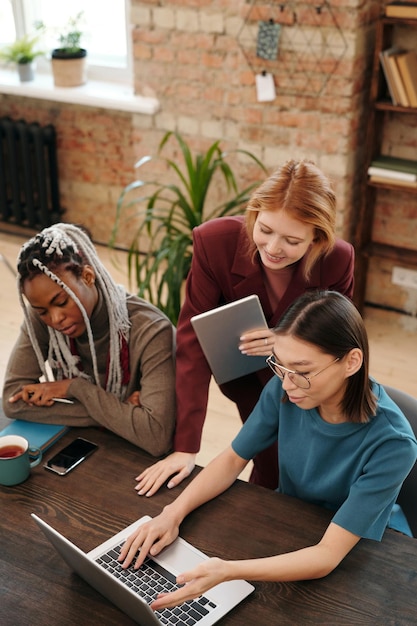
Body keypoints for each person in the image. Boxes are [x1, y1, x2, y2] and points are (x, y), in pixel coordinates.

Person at [119, 290, 417, 612]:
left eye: (302, 372)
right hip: (286, 522)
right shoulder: (286, 388)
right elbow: (234, 458)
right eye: (281, 365)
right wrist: (171, 514)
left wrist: (228, 571)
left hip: (346, 553)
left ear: (351, 362)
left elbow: (328, 555)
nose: (287, 384)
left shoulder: (394, 444)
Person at [136, 159, 355, 494]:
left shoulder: (338, 259)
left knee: (311, 466)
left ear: (317, 238)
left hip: (309, 377)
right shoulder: (214, 243)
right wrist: (186, 447)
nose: (273, 248)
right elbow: (191, 345)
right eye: (265, 230)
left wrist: (286, 340)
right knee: (269, 462)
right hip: (244, 375)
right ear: (254, 214)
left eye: (292, 241)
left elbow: (340, 339)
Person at [2, 223, 176, 456]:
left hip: (137, 461)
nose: (55, 318)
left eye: (62, 302)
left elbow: (155, 436)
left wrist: (74, 388)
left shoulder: (152, 329)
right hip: (79, 443)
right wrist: (121, 410)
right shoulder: (40, 318)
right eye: (42, 311)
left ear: (87, 277)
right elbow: (13, 400)